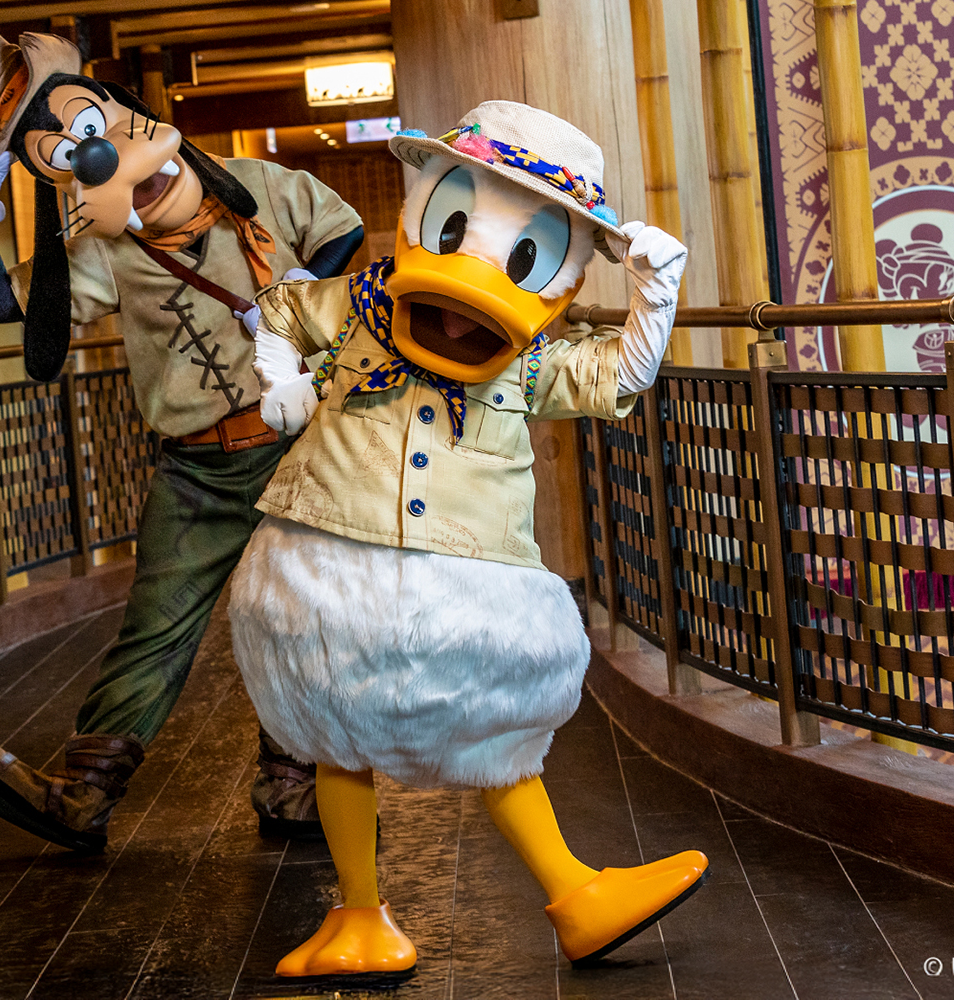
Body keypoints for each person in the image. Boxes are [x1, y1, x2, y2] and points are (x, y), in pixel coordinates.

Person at [228, 101, 708, 975]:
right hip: (324, 561)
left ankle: (575, 894)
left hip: (466, 587)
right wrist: (283, 380)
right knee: (336, 742)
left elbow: (613, 379)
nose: (464, 301)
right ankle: (361, 918)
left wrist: (657, 293)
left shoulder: (528, 363)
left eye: (526, 257)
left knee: (498, 744)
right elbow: (276, 313)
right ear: (421, 209)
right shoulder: (357, 308)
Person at [0, 29, 366, 854]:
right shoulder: (102, 248)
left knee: (302, 619)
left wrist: (315, 289)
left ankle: (294, 785)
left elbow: (342, 233)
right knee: (156, 625)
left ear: (128, 116)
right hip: (196, 471)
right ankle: (81, 792)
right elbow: (9, 311)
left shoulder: (263, 191)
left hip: (297, 452)